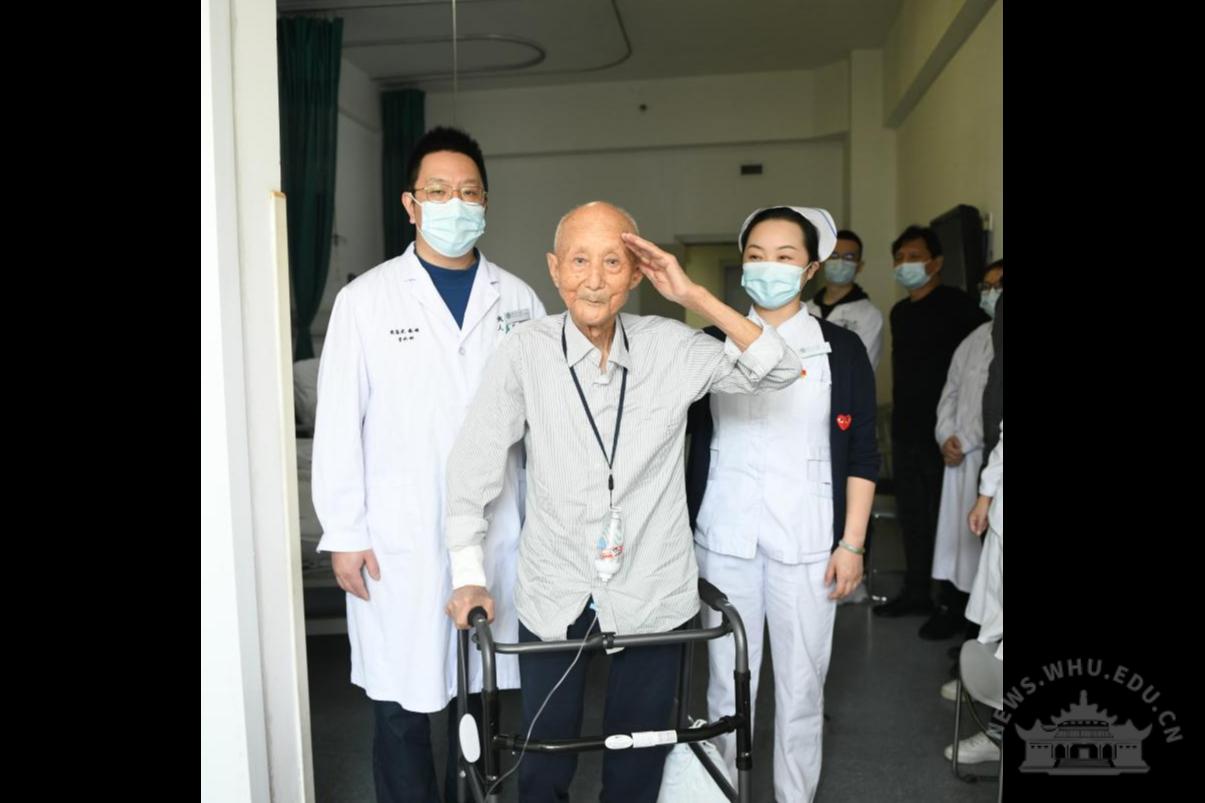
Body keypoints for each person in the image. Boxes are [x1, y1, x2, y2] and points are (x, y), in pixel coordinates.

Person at [442, 201, 802, 802]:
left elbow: (780, 370)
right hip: (555, 585)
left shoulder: (673, 346)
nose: (594, 279)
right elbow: (474, 462)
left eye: (613, 262)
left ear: (637, 273)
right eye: (579, 260)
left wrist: (693, 296)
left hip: (654, 587)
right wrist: (467, 575)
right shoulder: (525, 351)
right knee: (544, 763)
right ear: (554, 269)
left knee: (639, 763)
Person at [311, 126, 545, 803]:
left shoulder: (519, 299)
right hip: (399, 537)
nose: (454, 203)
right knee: (401, 706)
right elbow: (338, 424)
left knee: (484, 704)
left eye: (468, 191)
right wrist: (344, 531)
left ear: (486, 203)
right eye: (437, 191)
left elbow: (541, 430)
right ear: (410, 204)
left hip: (496, 532)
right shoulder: (367, 301)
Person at [686, 206, 879, 802]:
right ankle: (722, 794)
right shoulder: (709, 345)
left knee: (801, 688)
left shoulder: (840, 349)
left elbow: (863, 452)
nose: (768, 267)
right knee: (725, 688)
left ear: (810, 268)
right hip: (725, 537)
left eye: (785, 256)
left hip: (808, 540)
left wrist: (852, 544)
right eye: (756, 256)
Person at [873, 225, 989, 633]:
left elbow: (976, 373)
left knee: (951, 521)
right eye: (900, 258)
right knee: (913, 519)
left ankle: (953, 603)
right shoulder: (900, 312)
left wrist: (955, 432)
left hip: (951, 438)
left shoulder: (960, 307)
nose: (906, 264)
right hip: (908, 428)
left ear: (936, 262)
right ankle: (916, 591)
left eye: (915, 256)